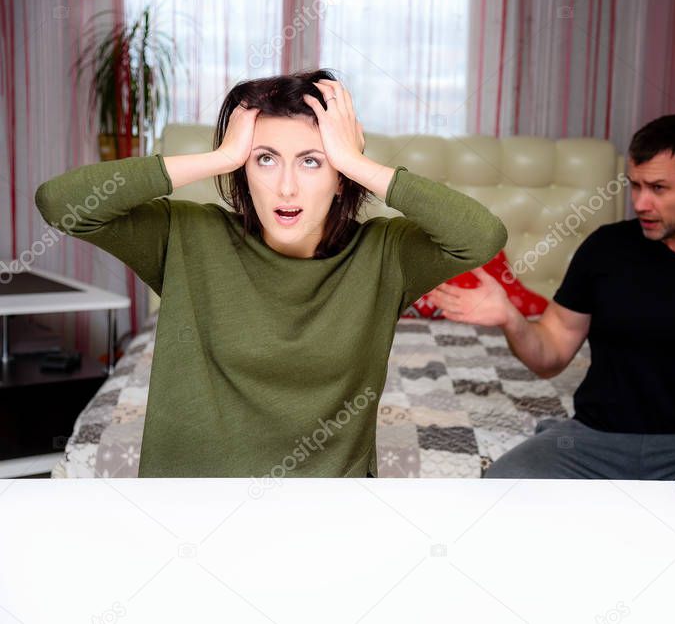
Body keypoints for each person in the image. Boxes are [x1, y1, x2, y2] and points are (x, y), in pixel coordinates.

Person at [35, 69, 507, 478]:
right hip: (189, 509)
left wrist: (355, 162)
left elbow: (481, 236)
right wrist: (219, 158)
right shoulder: (185, 235)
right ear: (244, 168)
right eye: (265, 159)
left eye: (311, 161)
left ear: (341, 177)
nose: (286, 186)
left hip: (326, 513)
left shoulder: (387, 253)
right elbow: (62, 205)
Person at [427, 114, 675, 578]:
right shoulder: (606, 249)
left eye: (658, 188)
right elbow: (550, 353)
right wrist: (512, 319)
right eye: (634, 186)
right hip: (595, 439)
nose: (641, 203)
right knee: (500, 490)